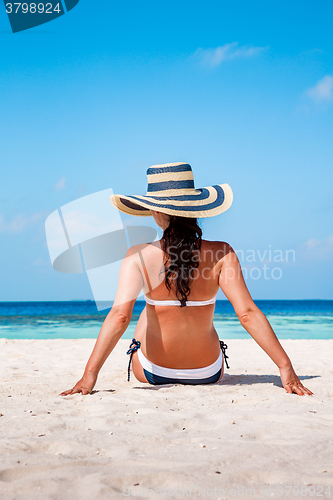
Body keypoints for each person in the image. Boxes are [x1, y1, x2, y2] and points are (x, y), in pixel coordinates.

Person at [60, 162, 313, 397]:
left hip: (152, 372)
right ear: (195, 208)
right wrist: (285, 366)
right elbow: (247, 314)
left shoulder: (137, 255)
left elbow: (119, 317)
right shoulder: (222, 253)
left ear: (156, 211)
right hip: (207, 372)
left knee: (144, 312)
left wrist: (89, 375)